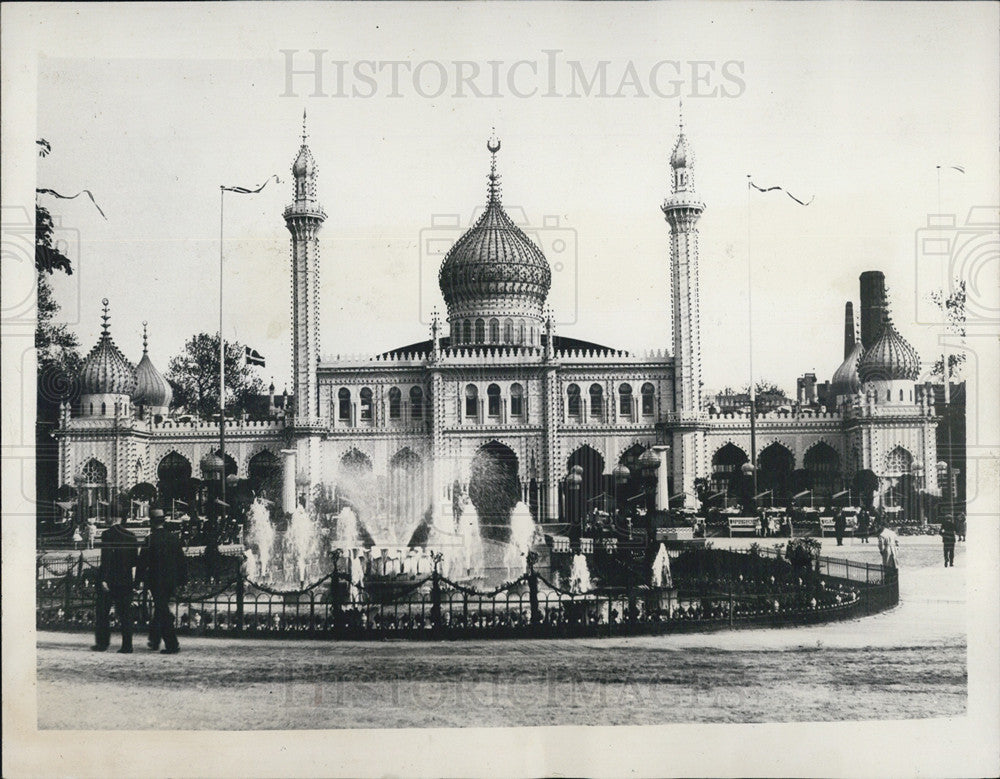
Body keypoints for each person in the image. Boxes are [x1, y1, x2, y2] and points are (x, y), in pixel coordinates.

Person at [137, 509, 188, 654]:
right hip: (171, 580)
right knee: (160, 609)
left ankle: (172, 644)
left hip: (156, 580)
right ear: (163, 522)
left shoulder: (150, 539)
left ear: (152, 523)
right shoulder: (173, 538)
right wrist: (183, 580)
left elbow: (142, 562)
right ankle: (154, 639)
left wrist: (138, 580)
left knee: (162, 610)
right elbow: (181, 560)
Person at [91, 513, 139, 653]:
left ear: (111, 518)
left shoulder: (107, 534)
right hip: (125, 579)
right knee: (125, 614)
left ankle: (102, 643)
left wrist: (104, 579)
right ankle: (127, 645)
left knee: (103, 612)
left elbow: (106, 558)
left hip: (110, 579)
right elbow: (134, 560)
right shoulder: (131, 535)